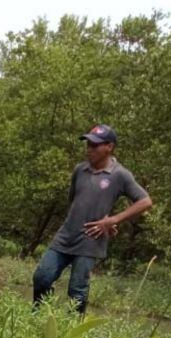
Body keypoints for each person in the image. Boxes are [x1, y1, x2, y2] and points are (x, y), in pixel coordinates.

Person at [32, 124, 152, 313]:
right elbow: (74, 202)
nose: (89, 149)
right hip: (65, 236)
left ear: (109, 147)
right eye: (88, 144)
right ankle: (39, 317)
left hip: (90, 240)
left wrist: (113, 220)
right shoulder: (80, 170)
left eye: (95, 145)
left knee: (77, 291)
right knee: (42, 277)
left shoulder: (120, 175)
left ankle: (72, 328)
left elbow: (145, 201)